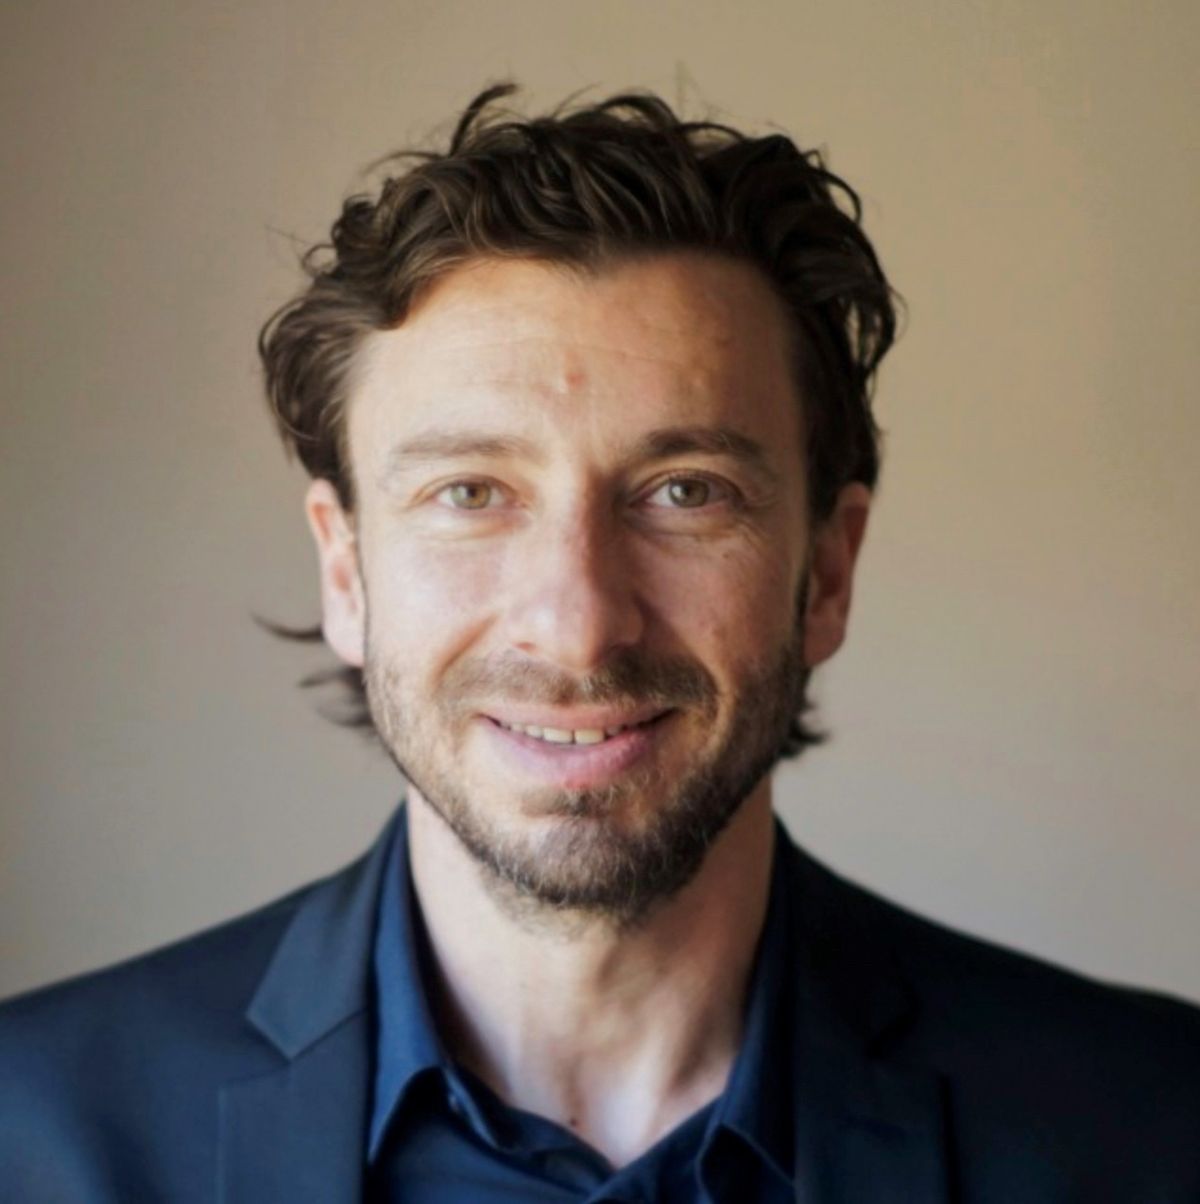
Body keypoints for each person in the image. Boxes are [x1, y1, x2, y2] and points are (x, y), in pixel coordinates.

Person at [1, 83, 1197, 1204]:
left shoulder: (1151, 1125)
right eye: (470, 493)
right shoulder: (35, 1128)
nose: (577, 623)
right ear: (346, 569)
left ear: (826, 572)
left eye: (686, 492)